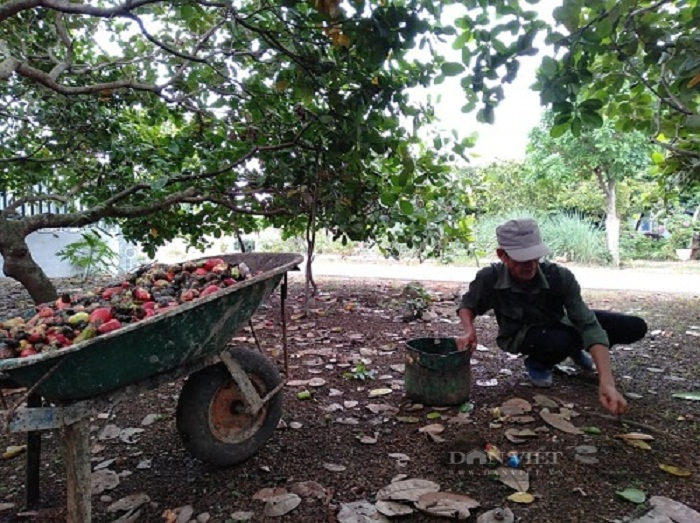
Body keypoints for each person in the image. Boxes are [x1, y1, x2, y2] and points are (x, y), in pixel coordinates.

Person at [456, 218, 647, 416]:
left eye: (535, 257)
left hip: (561, 323)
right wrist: (469, 331)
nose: (531, 265)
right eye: (522, 259)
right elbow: (468, 305)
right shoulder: (489, 277)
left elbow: (588, 325)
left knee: (633, 326)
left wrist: (607, 382)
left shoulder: (559, 276)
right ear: (502, 255)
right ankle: (539, 362)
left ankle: (573, 348)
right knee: (559, 340)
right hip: (526, 335)